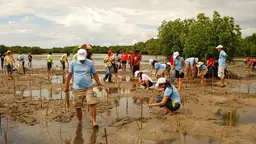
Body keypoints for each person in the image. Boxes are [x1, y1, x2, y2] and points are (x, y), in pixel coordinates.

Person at [65, 49, 102, 127]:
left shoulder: (90, 63)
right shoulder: (73, 63)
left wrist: (99, 84)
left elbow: (95, 74)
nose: (81, 60)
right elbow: (69, 75)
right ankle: (80, 121)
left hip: (88, 87)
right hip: (77, 89)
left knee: (92, 104)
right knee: (78, 107)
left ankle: (94, 121)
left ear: (86, 56)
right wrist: (66, 86)